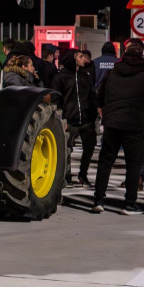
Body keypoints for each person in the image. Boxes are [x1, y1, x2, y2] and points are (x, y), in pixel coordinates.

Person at [92, 39, 144, 215]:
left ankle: (98, 201)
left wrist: (105, 117)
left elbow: (100, 98)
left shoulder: (112, 72)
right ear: (141, 56)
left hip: (112, 124)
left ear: (123, 56)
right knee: (133, 165)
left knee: (105, 162)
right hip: (136, 126)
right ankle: (129, 204)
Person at [52, 50, 97, 186]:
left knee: (89, 147)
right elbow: (56, 99)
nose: (84, 59)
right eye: (80, 56)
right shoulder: (60, 78)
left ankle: (83, 174)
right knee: (66, 149)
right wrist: (62, 118)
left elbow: (91, 95)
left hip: (86, 119)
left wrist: (93, 115)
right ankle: (66, 176)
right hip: (69, 120)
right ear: (72, 59)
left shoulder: (85, 74)